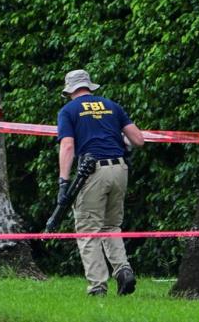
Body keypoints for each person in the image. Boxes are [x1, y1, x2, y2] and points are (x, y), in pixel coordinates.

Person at [56, 69, 144, 296]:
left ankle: (97, 287)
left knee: (88, 230)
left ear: (70, 91)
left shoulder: (68, 111)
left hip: (92, 172)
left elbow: (67, 146)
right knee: (111, 226)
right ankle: (123, 271)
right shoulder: (112, 106)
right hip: (119, 169)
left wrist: (63, 182)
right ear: (88, 87)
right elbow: (138, 140)